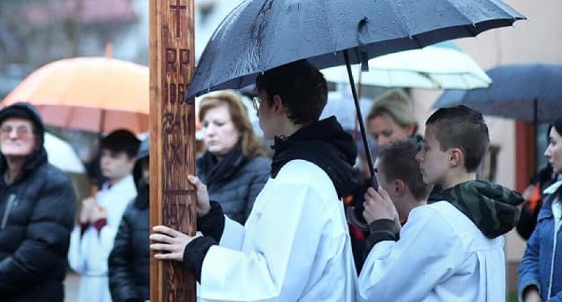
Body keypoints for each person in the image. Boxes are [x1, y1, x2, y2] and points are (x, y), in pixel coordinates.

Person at [149, 60, 359, 301]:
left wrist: (196, 252)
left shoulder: (300, 181)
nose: (258, 110)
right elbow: (263, 248)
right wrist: (211, 219)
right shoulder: (298, 170)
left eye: (259, 101)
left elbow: (271, 285)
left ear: (277, 104)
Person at [358, 105, 523, 301]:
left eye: (427, 148)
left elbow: (375, 293)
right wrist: (400, 232)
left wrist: (381, 228)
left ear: (453, 157)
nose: (419, 157)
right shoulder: (485, 214)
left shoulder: (437, 218)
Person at [0, 102, 76, 302]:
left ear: (37, 138)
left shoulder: (54, 183)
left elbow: (40, 249)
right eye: (6, 129)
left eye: (23, 130)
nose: (13, 135)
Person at [69, 129, 140, 302]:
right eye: (104, 154)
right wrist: (84, 224)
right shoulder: (101, 193)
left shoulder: (134, 196)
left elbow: (129, 247)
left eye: (114, 156)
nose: (105, 161)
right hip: (89, 281)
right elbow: (77, 261)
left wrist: (101, 224)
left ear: (132, 161)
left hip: (114, 282)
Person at [196, 91, 269, 225]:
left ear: (240, 128)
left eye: (219, 124)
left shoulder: (261, 170)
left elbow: (253, 234)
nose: (210, 132)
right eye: (205, 125)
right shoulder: (195, 169)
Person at [518, 116, 562, 302]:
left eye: (553, 143)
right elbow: (532, 254)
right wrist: (531, 293)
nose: (546, 152)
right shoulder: (552, 199)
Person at [363, 137, 431, 255]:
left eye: (377, 179)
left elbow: (379, 270)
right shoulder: (431, 226)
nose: (373, 188)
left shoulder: (423, 237)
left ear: (397, 188)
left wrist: (381, 228)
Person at [108, 138, 150, 302]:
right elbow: (119, 263)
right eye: (147, 164)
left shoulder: (192, 205)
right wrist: (129, 299)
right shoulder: (133, 209)